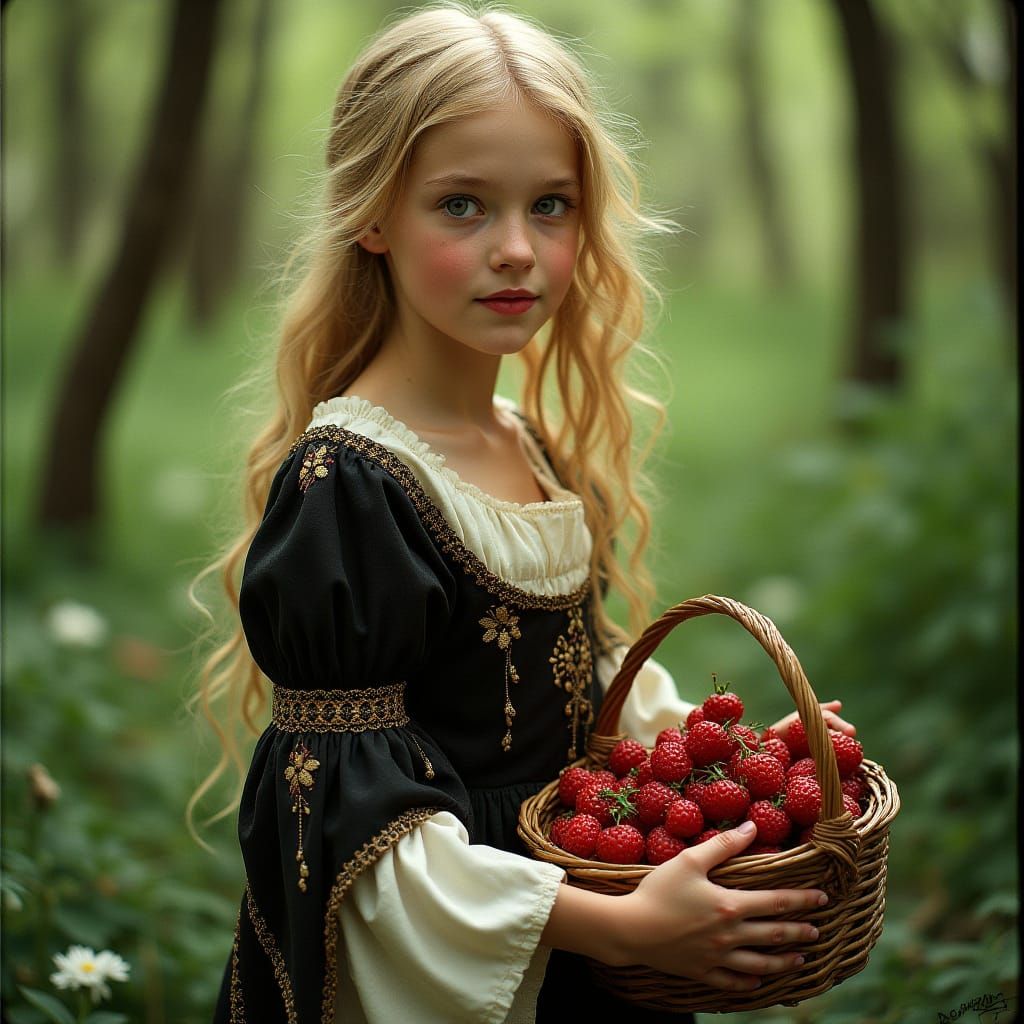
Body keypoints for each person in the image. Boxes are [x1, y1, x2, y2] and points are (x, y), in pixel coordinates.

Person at [189, 5, 857, 1022]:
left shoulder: (527, 444)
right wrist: (619, 928)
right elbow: (350, 830)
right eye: (461, 206)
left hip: (579, 911)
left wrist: (728, 759)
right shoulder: (349, 486)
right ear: (372, 215)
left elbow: (576, 688)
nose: (515, 248)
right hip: (493, 944)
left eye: (551, 205)